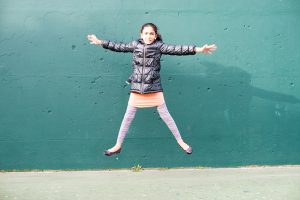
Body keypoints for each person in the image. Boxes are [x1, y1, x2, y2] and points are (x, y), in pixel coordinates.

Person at [87, 23, 217, 156]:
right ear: (141, 34)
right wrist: (100, 42)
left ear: (155, 36)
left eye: (151, 34)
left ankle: (180, 141)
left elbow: (178, 49)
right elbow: (118, 46)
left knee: (166, 115)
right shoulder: (134, 45)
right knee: (127, 117)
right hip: (137, 87)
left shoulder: (159, 46)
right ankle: (118, 145)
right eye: (146, 33)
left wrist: (199, 49)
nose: (148, 36)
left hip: (153, 87)